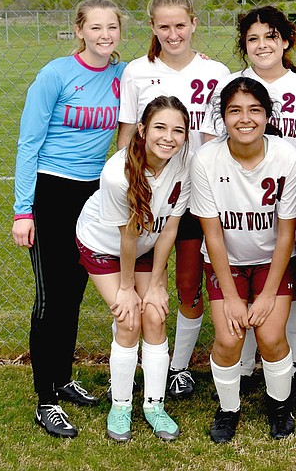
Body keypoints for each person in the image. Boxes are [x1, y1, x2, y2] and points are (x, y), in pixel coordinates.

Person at [12, 0, 126, 438]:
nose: (104, 36)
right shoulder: (56, 74)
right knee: (51, 298)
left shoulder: (122, 75)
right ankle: (46, 400)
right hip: (51, 190)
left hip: (93, 193)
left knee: (75, 293)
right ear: (79, 30)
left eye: (111, 28)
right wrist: (24, 211)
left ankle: (62, 379)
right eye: (95, 28)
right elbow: (28, 144)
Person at [201, 6, 296, 404]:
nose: (262, 45)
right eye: (253, 38)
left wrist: (287, 182)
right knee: (242, 310)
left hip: (287, 198)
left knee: (294, 294)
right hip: (236, 199)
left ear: (285, 41)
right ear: (244, 46)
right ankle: (244, 369)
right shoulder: (231, 86)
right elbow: (210, 146)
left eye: (271, 36)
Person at [116, 0, 230, 399]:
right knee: (139, 281)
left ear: (194, 23)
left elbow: (222, 137)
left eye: (180, 25)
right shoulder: (137, 71)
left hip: (200, 194)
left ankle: (178, 366)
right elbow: (128, 133)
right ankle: (136, 358)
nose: (173, 33)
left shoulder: (217, 72)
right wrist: (128, 183)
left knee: (186, 284)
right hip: (151, 194)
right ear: (152, 28)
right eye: (163, 26)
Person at [191, 77, 296, 443]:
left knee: (270, 336)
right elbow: (213, 235)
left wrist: (268, 294)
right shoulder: (206, 159)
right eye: (234, 110)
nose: (245, 119)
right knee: (228, 338)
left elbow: (286, 233)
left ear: (268, 115)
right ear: (222, 117)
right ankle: (228, 408)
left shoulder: (285, 156)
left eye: (255, 110)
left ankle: (279, 405)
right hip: (228, 261)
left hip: (273, 260)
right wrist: (234, 296)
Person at [76, 95, 191, 442]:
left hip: (144, 245)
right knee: (128, 319)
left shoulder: (182, 162)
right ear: (141, 129)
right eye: (159, 127)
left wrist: (157, 283)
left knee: (155, 313)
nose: (168, 137)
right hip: (104, 245)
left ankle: (154, 405)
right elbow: (128, 234)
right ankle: (121, 404)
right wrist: (127, 288)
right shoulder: (117, 174)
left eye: (178, 130)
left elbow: (169, 227)